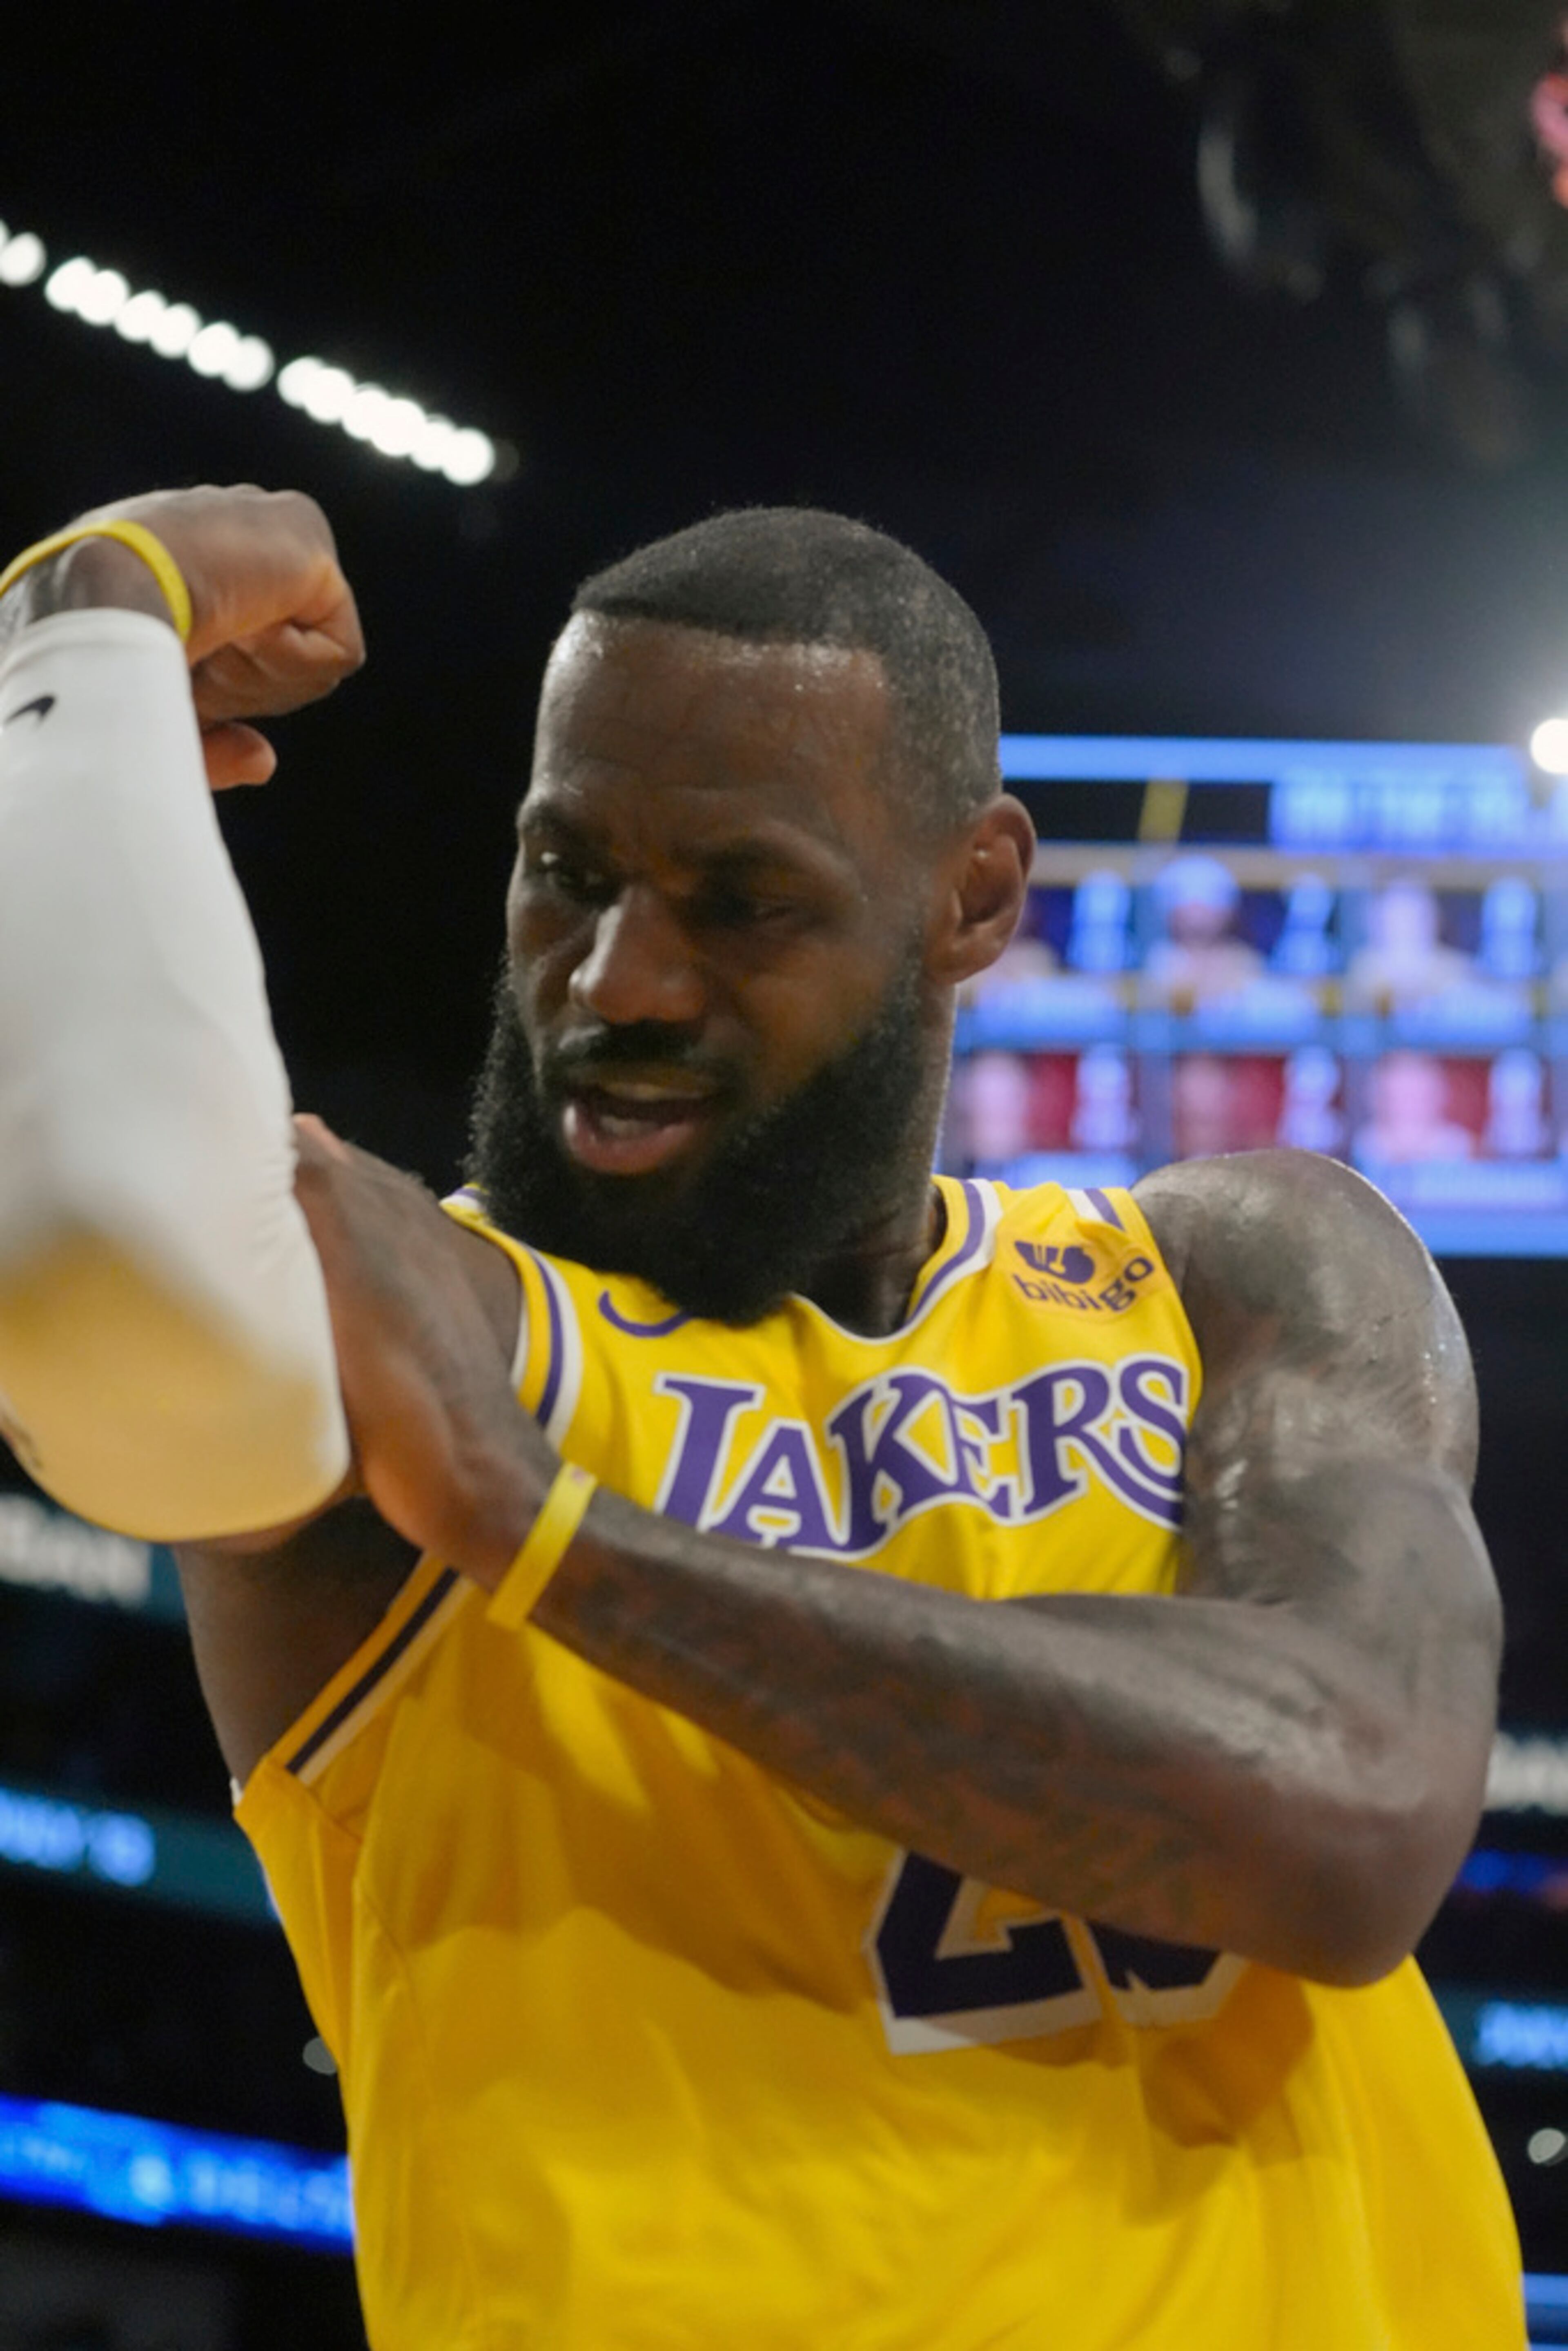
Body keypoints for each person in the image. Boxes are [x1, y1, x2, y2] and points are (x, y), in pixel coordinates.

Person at [0, 489, 1523, 2349]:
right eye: (567, 872)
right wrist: (80, 634)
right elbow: (91, 1290)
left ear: (973, 896)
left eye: (743, 904)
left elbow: (1349, 1814)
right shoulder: (442, 1321)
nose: (620, 982)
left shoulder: (1243, 1272)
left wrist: (550, 1530)